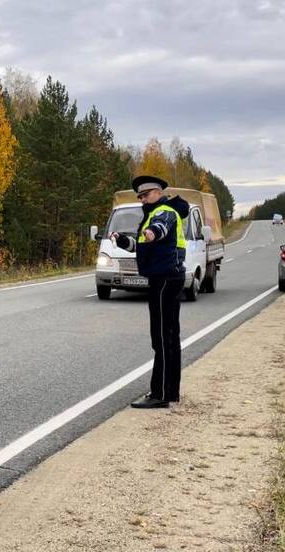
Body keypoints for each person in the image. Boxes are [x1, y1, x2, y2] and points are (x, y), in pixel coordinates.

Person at [110, 175, 190, 409]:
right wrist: (123, 241)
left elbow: (160, 229)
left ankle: (160, 395)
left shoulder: (164, 211)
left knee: (163, 338)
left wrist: (153, 232)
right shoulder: (153, 214)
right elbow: (143, 244)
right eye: (141, 197)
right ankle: (169, 391)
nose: (143, 200)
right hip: (165, 277)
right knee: (169, 336)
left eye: (146, 195)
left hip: (165, 279)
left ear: (157, 192)